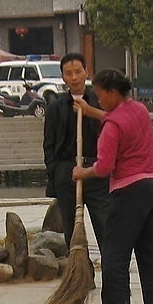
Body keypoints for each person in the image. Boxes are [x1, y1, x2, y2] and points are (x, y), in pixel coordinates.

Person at [72, 68, 153, 304]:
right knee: (152, 250)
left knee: (114, 250)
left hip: (129, 190)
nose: (99, 99)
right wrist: (90, 110)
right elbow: (113, 116)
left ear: (113, 92)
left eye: (100, 94)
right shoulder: (138, 110)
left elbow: (104, 167)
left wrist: (83, 171)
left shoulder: (112, 127)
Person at [43, 53, 109, 259]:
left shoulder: (100, 102)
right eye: (68, 73)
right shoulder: (55, 107)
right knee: (72, 230)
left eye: (78, 72)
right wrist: (57, 171)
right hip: (67, 172)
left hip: (96, 171)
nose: (74, 77)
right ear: (63, 77)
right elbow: (49, 145)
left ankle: (114, 278)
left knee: (106, 226)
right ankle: (81, 273)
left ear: (86, 72)